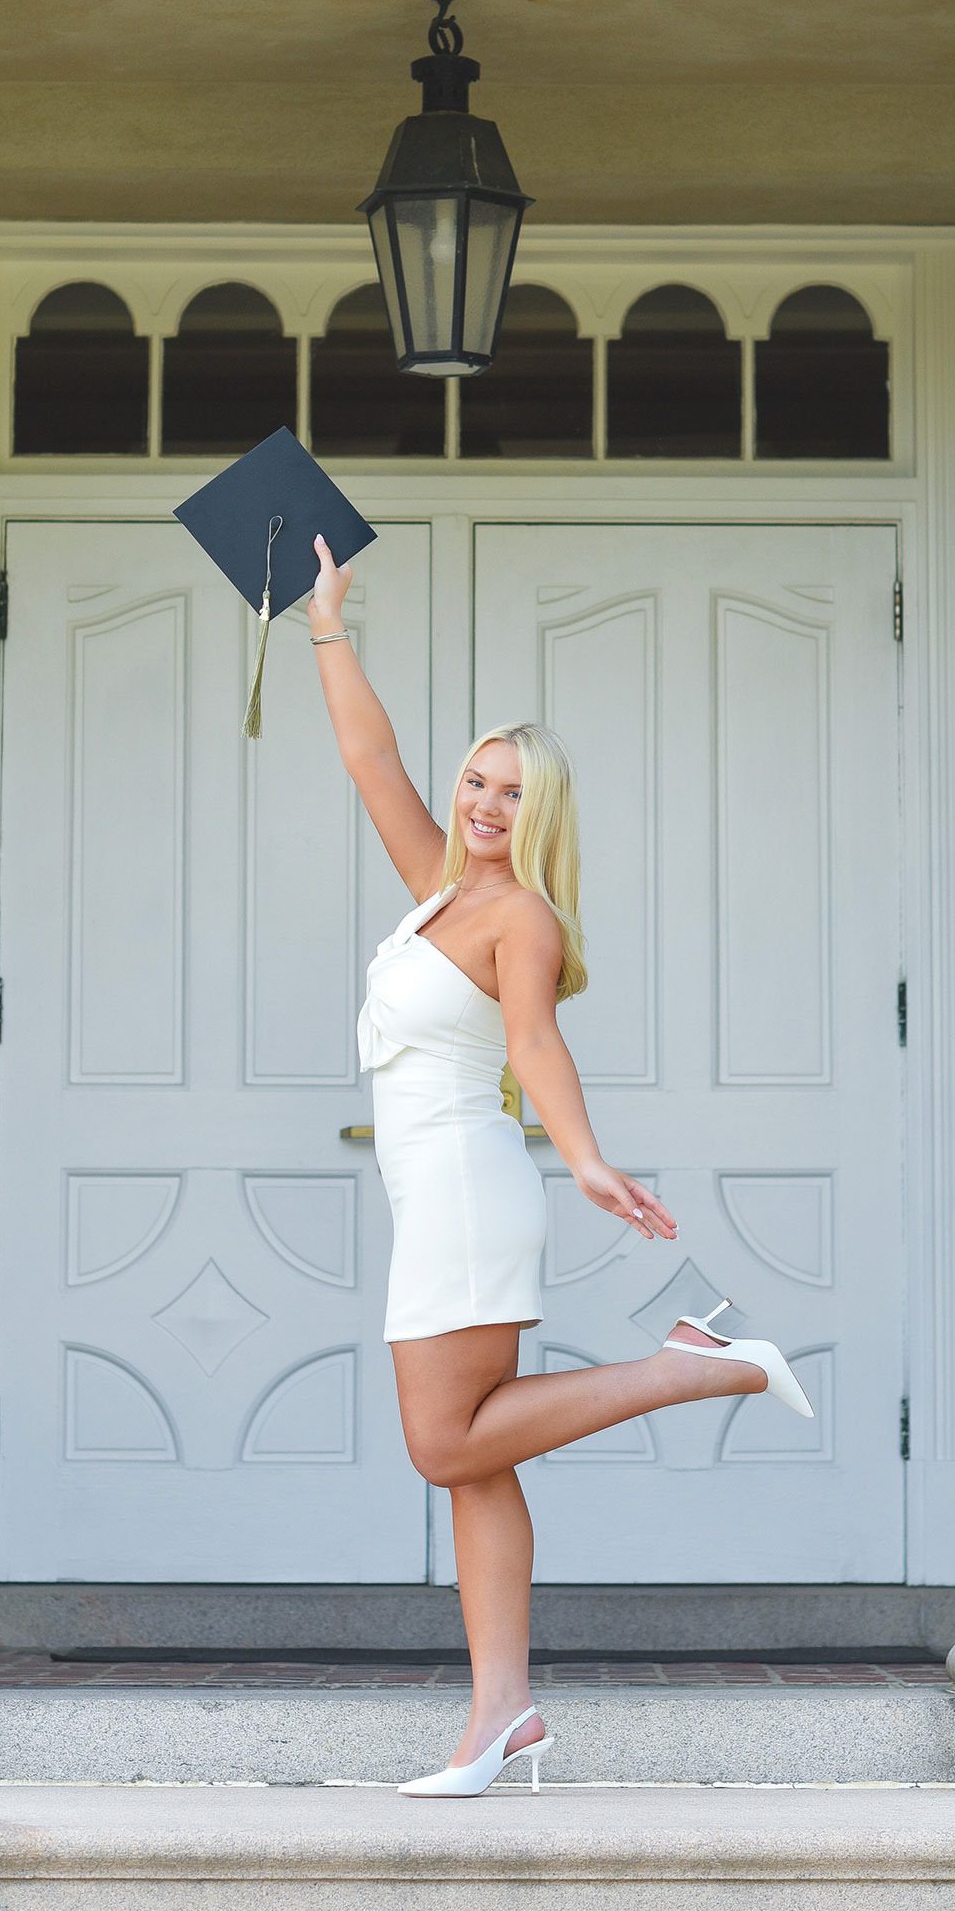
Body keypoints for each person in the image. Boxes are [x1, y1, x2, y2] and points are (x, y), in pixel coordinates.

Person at [308, 535, 814, 1800]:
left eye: (508, 793)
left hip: (471, 1192)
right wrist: (327, 626)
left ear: (541, 816)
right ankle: (500, 1719)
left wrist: (585, 1157)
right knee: (480, 1461)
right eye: (477, 780)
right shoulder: (436, 887)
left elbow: (533, 1041)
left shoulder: (519, 918)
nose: (483, 805)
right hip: (437, 1190)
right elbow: (370, 759)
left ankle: (692, 1364)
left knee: (443, 1446)